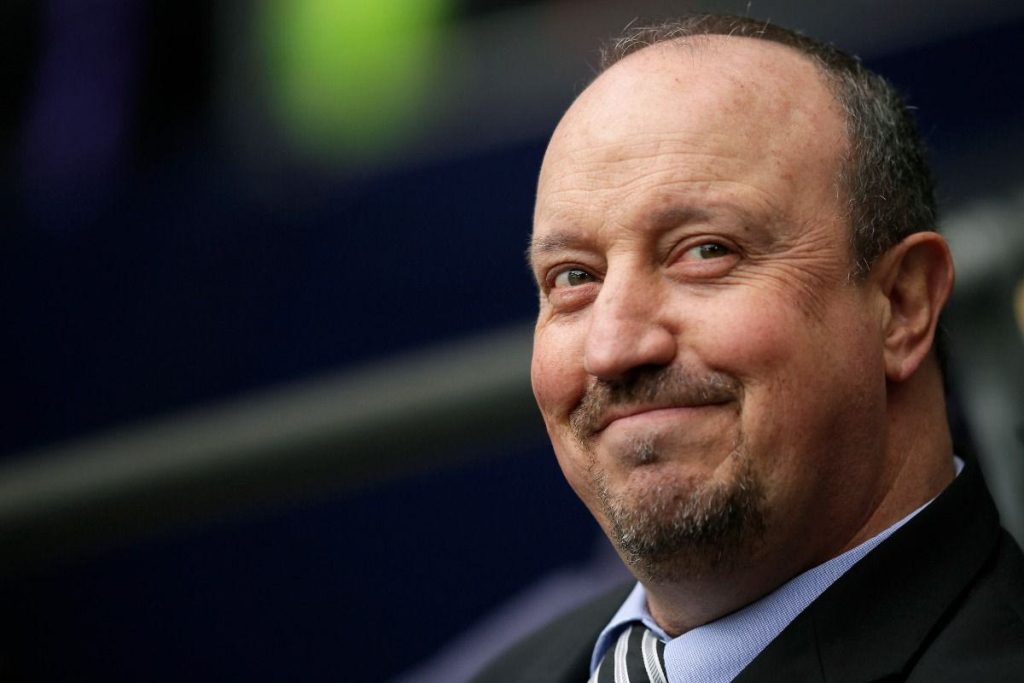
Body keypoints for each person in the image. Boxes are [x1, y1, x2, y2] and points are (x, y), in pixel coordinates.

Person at [473, 14, 1024, 683]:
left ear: (902, 305)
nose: (613, 348)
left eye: (705, 251)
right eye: (572, 278)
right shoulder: (516, 669)